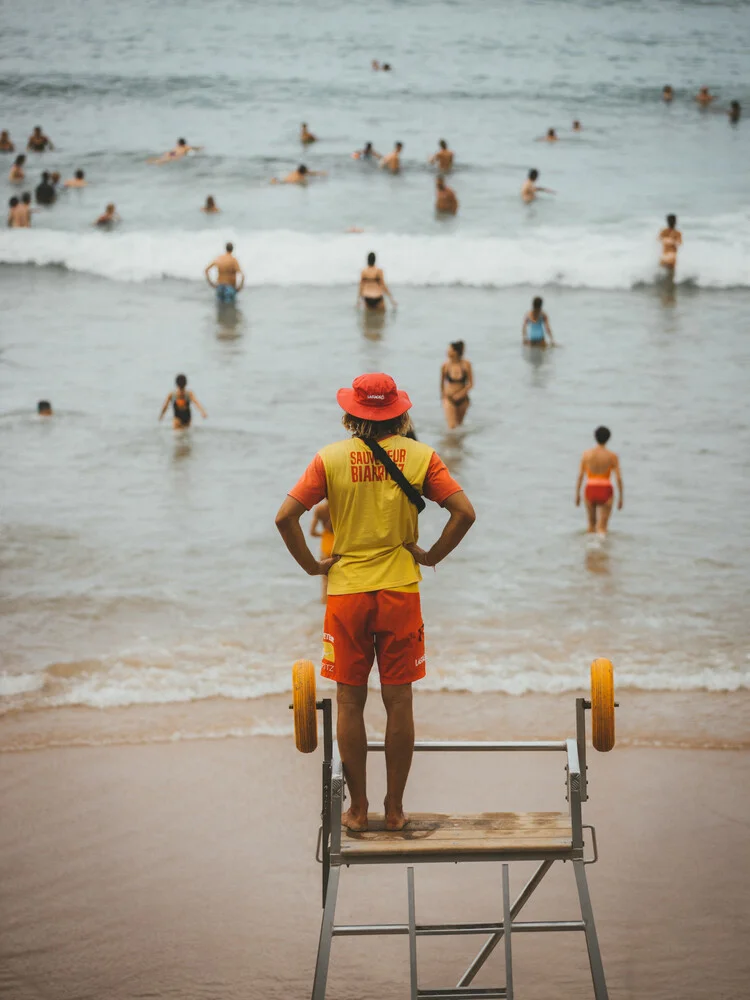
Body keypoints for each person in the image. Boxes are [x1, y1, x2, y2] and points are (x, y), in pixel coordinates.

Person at [275, 372, 476, 831]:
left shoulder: (330, 459)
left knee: (349, 702)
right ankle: (396, 809)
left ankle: (359, 809)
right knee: (399, 701)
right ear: (400, 413)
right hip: (401, 591)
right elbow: (464, 512)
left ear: (351, 414)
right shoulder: (423, 457)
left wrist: (312, 565)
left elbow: (285, 517)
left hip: (346, 593)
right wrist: (430, 556)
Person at [575, 426, 623, 536]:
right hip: (605, 489)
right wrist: (621, 498)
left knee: (591, 525)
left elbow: (581, 476)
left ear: (595, 437)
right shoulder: (612, 456)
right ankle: (601, 549)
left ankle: (591, 548)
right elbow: (618, 478)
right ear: (608, 438)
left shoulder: (586, 454)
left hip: (590, 488)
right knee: (603, 527)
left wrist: (577, 494)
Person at [441, 341, 473, 429]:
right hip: (449, 398)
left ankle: (458, 442)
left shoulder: (466, 364)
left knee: (459, 425)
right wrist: (443, 397)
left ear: (456, 352)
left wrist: (460, 394)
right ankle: (450, 442)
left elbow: (471, 384)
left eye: (450, 350)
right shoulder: (445, 366)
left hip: (463, 399)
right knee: (452, 426)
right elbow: (442, 384)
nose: (447, 352)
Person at [310, 499, 335, 602]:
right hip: (338, 544)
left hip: (326, 545)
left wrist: (324, 535)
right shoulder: (341, 508)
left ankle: (324, 607)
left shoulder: (319, 509)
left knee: (325, 581)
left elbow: (312, 532)